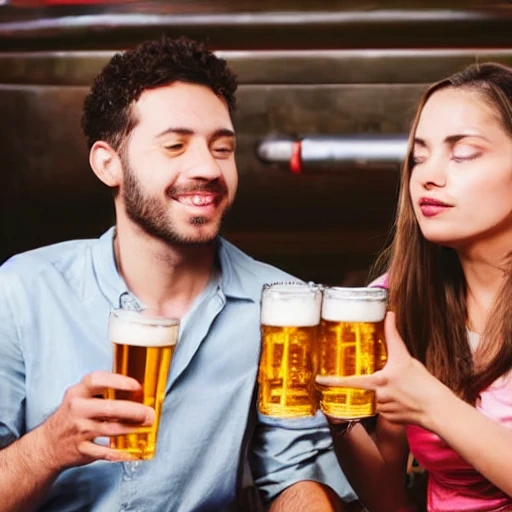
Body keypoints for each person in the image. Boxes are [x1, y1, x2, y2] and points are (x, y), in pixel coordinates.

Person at [0, 36, 356, 511]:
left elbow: (296, 476)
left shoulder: (281, 305)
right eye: (175, 145)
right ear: (109, 164)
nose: (208, 167)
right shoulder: (22, 290)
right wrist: (48, 447)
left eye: (222, 148)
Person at [316, 61, 512, 512]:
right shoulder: (397, 297)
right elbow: (388, 497)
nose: (427, 175)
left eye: (462, 154)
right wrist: (338, 410)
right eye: (419, 156)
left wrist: (428, 401)